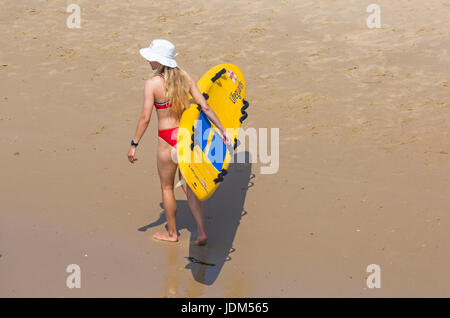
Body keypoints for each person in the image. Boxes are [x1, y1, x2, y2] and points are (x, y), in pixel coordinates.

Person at [127, 39, 231, 246]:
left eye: (152, 58)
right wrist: (222, 129)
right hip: (186, 138)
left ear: (159, 60)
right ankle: (201, 231)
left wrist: (134, 144)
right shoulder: (186, 78)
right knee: (188, 185)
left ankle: (172, 233)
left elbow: (145, 118)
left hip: (167, 139)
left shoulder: (152, 84)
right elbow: (206, 107)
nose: (149, 61)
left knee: (167, 187)